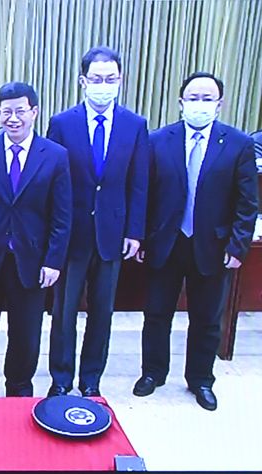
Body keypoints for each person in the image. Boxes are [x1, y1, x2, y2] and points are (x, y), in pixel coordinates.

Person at [133, 72, 258, 411]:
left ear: (219, 105)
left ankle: (201, 379)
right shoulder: (159, 140)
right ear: (180, 102)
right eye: (193, 98)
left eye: (207, 99)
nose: (199, 105)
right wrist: (142, 237)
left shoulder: (237, 143)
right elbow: (147, 194)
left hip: (213, 247)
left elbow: (247, 203)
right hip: (166, 243)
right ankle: (153, 373)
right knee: (156, 314)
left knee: (205, 318)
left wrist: (237, 245)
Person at [46, 46, 150, 397]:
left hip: (112, 233)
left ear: (120, 81)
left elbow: (139, 182)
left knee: (102, 314)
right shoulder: (62, 123)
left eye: (110, 79)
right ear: (83, 81)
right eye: (96, 79)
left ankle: (91, 380)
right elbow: (53, 182)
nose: (103, 85)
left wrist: (135, 231)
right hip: (72, 233)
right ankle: (61, 380)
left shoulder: (135, 125)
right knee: (63, 314)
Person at [0, 82, 72, 397]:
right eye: (6, 112)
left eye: (20, 111)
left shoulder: (55, 155)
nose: (13, 118)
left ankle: (19, 389)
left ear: (34, 112)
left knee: (25, 335)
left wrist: (53, 260)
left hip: (32, 260)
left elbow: (61, 215)